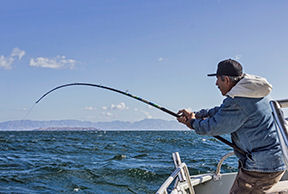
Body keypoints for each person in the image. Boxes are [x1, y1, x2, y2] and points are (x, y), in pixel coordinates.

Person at [177, 59, 286, 194]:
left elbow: (213, 126)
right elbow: (221, 110)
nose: (216, 83)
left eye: (218, 79)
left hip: (261, 167)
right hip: (275, 160)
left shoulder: (238, 101)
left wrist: (192, 123)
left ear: (226, 80)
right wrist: (196, 115)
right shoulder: (253, 92)